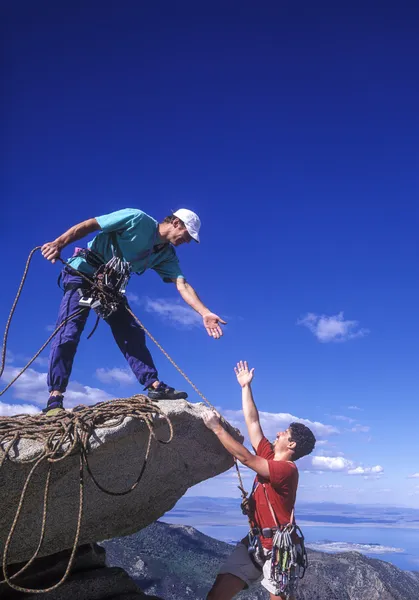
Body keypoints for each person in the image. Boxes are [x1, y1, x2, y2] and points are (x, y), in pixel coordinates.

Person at [41, 208, 226, 412]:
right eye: (188, 235)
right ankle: (55, 397)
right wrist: (59, 243)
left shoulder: (166, 255)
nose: (188, 241)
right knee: (69, 332)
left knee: (130, 331)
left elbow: (182, 284)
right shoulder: (137, 219)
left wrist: (204, 312)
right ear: (176, 223)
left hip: (110, 287)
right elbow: (91, 224)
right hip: (83, 272)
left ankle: (154, 386)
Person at [203, 361, 316, 600]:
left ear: (292, 445)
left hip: (279, 549)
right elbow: (253, 423)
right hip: (256, 541)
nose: (278, 434)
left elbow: (245, 458)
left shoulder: (287, 470)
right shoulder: (269, 455)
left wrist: (217, 429)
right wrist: (245, 387)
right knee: (216, 595)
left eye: (284, 433)